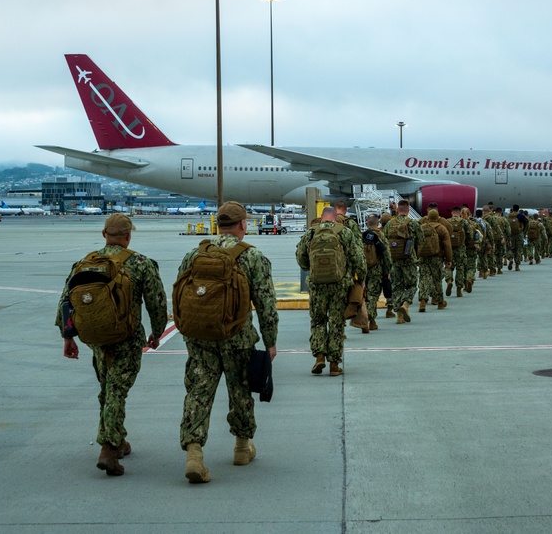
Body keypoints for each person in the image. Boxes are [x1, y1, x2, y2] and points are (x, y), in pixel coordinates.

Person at [57, 213, 167, 477]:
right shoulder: (140, 263)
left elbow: (65, 302)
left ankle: (118, 440)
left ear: (104, 234)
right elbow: (157, 302)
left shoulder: (84, 264)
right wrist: (156, 332)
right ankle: (108, 447)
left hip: (95, 339)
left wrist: (68, 337)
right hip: (126, 339)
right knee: (117, 390)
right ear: (128, 237)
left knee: (108, 388)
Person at [179, 201, 278, 484]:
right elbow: (266, 304)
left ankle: (194, 454)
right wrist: (270, 341)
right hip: (238, 337)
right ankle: (241, 447)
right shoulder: (252, 257)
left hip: (201, 338)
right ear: (243, 225)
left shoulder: (194, 255)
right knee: (240, 392)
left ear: (217, 224)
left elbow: (182, 295)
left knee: (199, 393)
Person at [295, 206, 365, 375]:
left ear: (321, 217)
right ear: (335, 218)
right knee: (336, 322)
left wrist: (311, 268)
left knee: (318, 320)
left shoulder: (311, 232)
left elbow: (301, 258)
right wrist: (360, 279)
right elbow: (358, 258)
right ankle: (334, 364)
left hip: (317, 284)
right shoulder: (345, 232)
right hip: (339, 284)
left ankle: (319, 357)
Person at [383, 199, 423, 323]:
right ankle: (405, 304)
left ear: (398, 209)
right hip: (409, 259)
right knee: (411, 285)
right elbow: (421, 241)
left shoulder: (390, 223)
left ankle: (399, 316)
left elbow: (384, 241)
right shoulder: (413, 223)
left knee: (397, 287)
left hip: (394, 260)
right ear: (408, 210)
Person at [417, 202, 453, 311]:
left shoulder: (421, 227)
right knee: (437, 279)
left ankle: (422, 301)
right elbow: (447, 245)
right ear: (437, 216)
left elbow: (416, 242)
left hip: (423, 257)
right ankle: (440, 302)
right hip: (437, 257)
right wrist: (449, 259)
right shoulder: (442, 228)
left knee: (423, 279)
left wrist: (417, 256)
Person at [361, 213, 392, 330]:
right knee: (373, 296)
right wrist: (388, 269)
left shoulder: (362, 236)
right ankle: (369, 320)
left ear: (366, 223)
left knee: (365, 295)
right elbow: (386, 254)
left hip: (364, 270)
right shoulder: (381, 236)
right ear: (378, 223)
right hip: (377, 269)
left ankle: (370, 321)